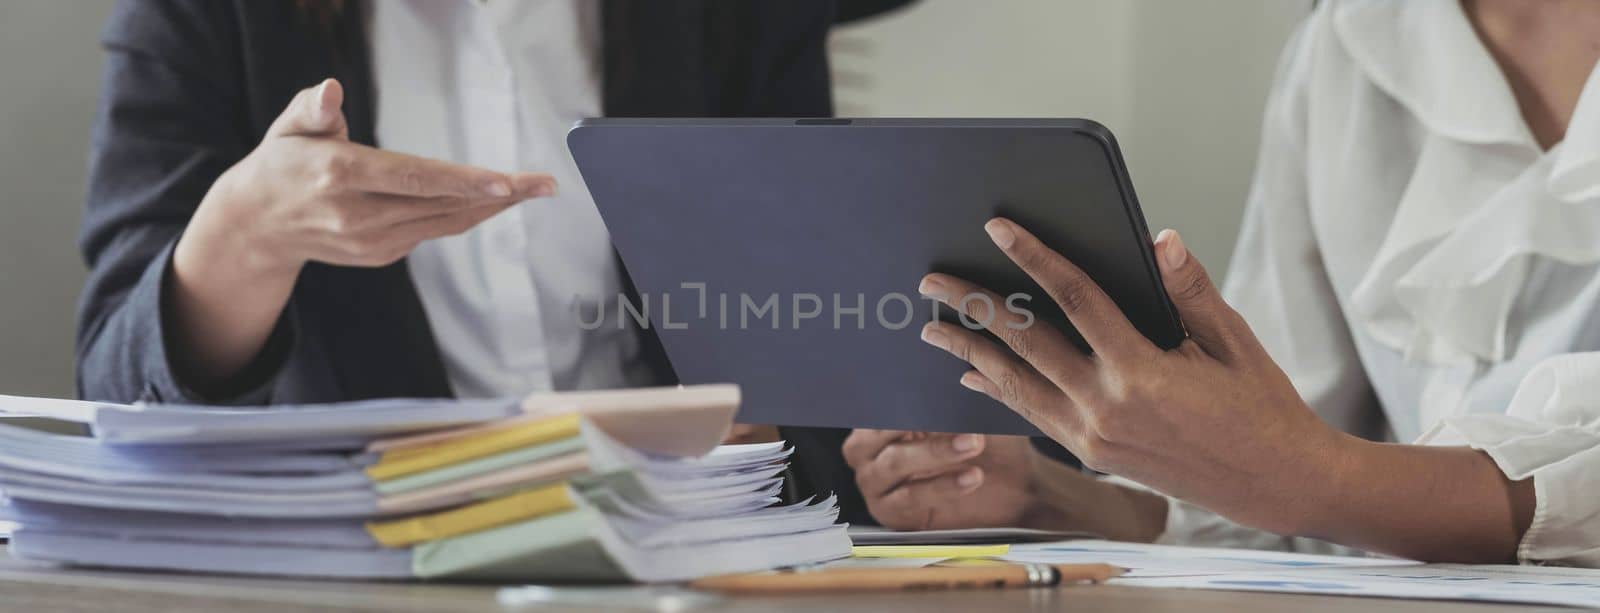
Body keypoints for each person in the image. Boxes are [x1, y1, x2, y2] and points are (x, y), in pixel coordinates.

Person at [75, 0, 907, 523]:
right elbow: (117, 395)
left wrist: (773, 430)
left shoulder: (740, 18)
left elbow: (810, 336)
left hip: (688, 544)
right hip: (367, 553)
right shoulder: (201, 18)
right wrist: (246, 239)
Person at [850, 0, 1600, 566]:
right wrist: (1055, 493)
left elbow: (1300, 475)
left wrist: (1322, 476)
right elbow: (1271, 482)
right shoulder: (1347, 43)